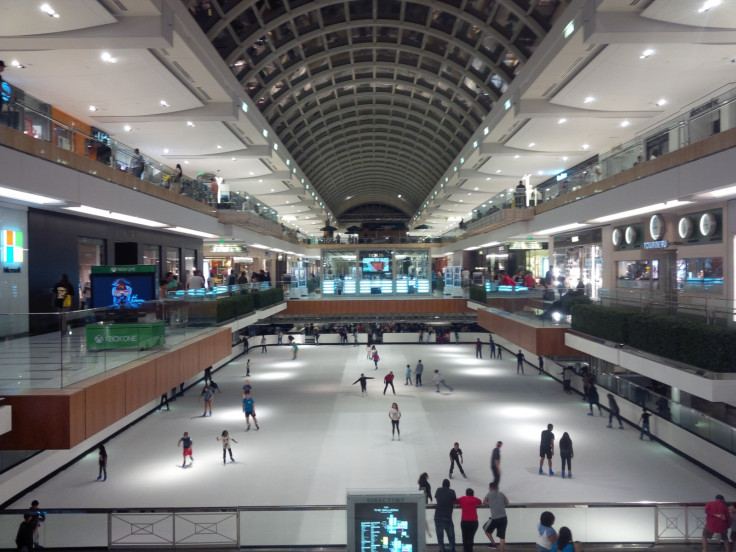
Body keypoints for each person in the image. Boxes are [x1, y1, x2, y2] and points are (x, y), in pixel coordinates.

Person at [483, 483, 509, 552]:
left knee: (487, 530)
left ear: (491, 488)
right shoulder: (501, 493)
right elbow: (507, 502)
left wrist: (490, 503)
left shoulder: (489, 494)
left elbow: (484, 501)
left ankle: (493, 544)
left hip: (494, 518)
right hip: (503, 518)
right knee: (502, 537)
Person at [434, 479, 457, 552]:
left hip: (438, 516)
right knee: (451, 536)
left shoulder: (438, 490)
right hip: (447, 516)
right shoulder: (452, 491)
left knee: (440, 536)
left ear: (442, 484)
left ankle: (442, 549)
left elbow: (437, 499)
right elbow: (454, 500)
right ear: (449, 485)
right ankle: (452, 549)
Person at [457, 488, 482, 552]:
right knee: (471, 537)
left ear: (466, 493)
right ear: (473, 494)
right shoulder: (475, 499)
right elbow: (480, 502)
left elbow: (455, 501)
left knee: (464, 536)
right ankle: (470, 550)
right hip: (474, 521)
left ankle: (465, 550)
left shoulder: (463, 498)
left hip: (464, 521)